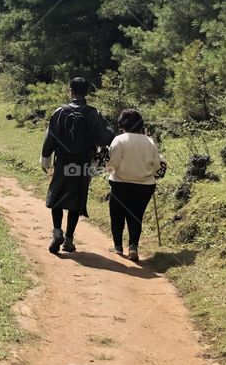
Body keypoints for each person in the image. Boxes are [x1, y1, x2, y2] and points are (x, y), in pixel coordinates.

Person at [40, 77, 114, 254]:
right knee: (77, 199)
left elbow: (50, 137)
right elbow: (107, 137)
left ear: (70, 90)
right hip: (82, 164)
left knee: (57, 195)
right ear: (86, 92)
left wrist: (45, 159)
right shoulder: (94, 113)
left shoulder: (59, 112)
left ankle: (57, 231)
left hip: (63, 162)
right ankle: (68, 240)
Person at [106, 108, 165, 261]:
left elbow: (112, 164)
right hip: (145, 186)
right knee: (136, 215)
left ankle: (118, 247)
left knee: (117, 214)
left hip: (121, 184)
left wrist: (109, 170)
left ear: (122, 124)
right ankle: (133, 246)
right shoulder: (149, 141)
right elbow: (157, 165)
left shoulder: (119, 140)